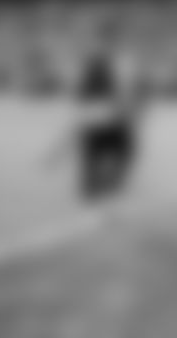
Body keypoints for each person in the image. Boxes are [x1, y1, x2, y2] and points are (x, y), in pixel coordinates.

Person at [49, 42, 143, 221]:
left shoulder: (93, 90)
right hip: (110, 132)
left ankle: (98, 197)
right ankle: (104, 196)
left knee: (96, 174)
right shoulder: (108, 89)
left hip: (102, 132)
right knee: (112, 168)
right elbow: (123, 113)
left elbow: (77, 124)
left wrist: (55, 153)